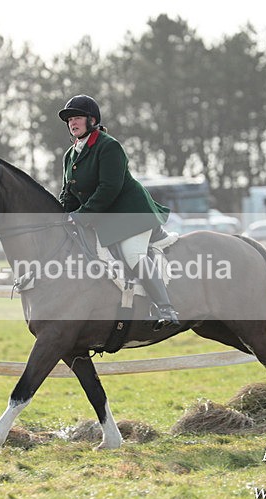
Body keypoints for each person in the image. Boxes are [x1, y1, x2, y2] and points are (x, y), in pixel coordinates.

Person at [57, 94, 180, 330]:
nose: (72, 123)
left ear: (92, 120)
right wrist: (61, 217)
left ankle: (165, 308)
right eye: (70, 119)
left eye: (77, 118)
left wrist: (81, 216)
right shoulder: (70, 155)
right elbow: (68, 193)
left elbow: (109, 188)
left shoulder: (108, 146)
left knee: (132, 254)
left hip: (132, 214)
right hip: (106, 219)